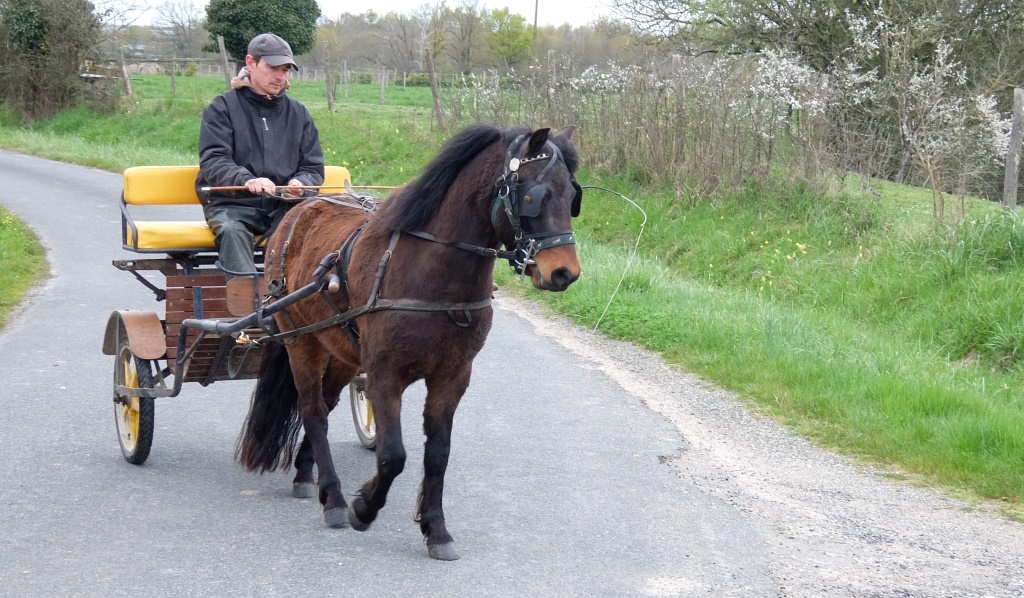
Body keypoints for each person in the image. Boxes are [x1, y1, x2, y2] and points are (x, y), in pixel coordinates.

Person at [196, 32, 325, 280]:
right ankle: (249, 309)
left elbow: (313, 167)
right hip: (233, 206)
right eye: (273, 67)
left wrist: (303, 185)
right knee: (232, 231)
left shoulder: (299, 113)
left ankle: (302, 305)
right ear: (251, 63)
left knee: (320, 231)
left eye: (286, 69)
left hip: (285, 208)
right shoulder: (222, 108)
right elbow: (214, 160)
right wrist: (247, 180)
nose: (281, 76)